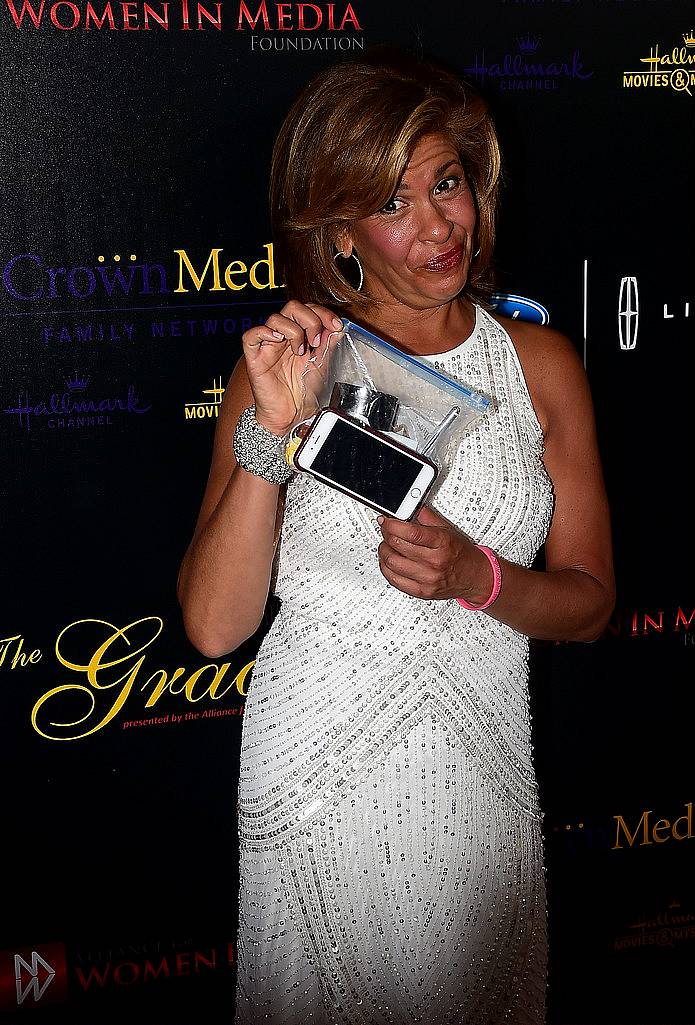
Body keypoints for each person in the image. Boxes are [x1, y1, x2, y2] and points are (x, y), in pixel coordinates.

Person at [177, 48, 615, 1025]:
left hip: (481, 775)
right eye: (391, 201)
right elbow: (213, 625)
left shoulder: (538, 364)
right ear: (338, 231)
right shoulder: (285, 366)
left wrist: (480, 575)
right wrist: (270, 434)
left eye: (445, 183)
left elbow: (588, 604)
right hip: (319, 775)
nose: (435, 225)